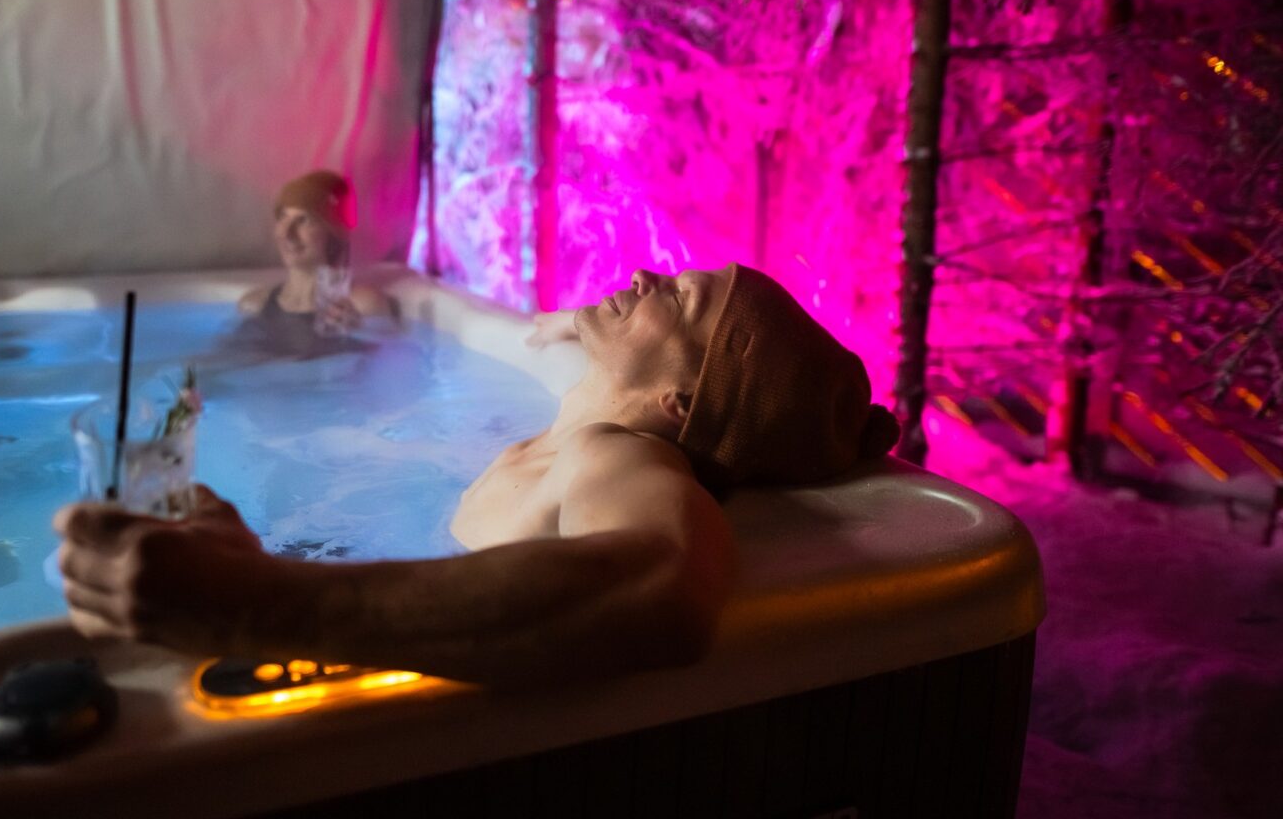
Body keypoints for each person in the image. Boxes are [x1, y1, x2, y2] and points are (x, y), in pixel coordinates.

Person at [55, 264, 899, 685]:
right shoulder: (573, 426)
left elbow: (670, 585)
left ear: (681, 403)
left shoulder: (616, 457)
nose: (644, 276)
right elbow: (617, 344)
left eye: (676, 297)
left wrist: (251, 603)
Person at [237, 170, 397, 339]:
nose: (286, 233)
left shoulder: (363, 306)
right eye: (283, 217)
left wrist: (361, 331)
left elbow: (391, 358)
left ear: (332, 234)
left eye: (304, 220)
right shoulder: (254, 305)